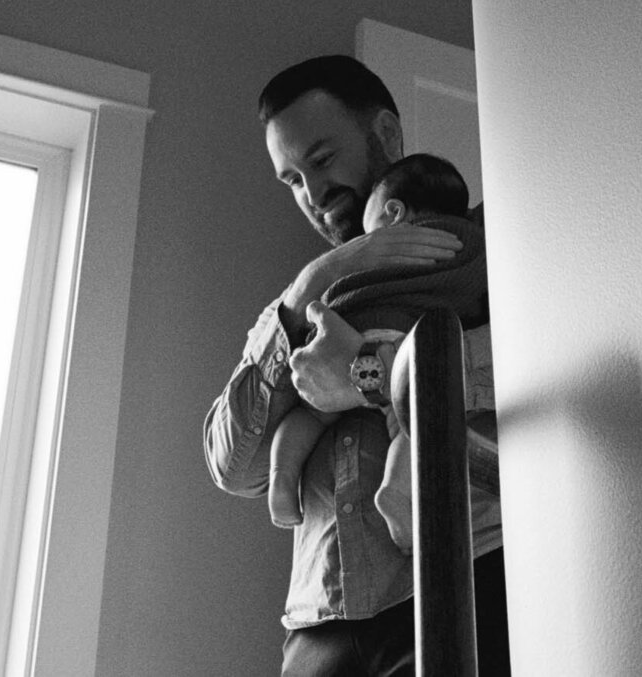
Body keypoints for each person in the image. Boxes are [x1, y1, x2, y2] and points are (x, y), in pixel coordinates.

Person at [204, 55, 510, 677]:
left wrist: (369, 374)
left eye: (321, 161)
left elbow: (528, 372)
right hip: (320, 625)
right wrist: (313, 281)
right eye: (292, 180)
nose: (314, 194)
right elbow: (230, 465)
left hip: (464, 583)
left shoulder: (481, 250)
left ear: (386, 137)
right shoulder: (303, 307)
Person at [266, 153, 487, 551]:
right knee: (409, 421)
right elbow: (475, 290)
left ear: (394, 212)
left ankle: (283, 478)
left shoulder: (364, 257)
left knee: (311, 414)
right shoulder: (472, 241)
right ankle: (395, 491)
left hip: (341, 329)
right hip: (405, 339)